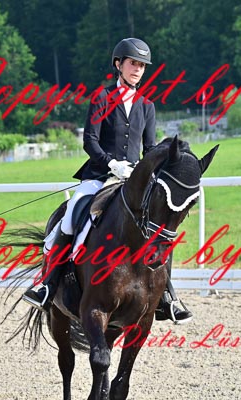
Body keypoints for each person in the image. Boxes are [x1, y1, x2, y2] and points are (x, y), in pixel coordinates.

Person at [22, 38, 192, 324]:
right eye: (133, 63)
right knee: (70, 218)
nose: (137, 69)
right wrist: (112, 164)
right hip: (100, 176)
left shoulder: (147, 106)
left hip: (134, 181)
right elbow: (90, 141)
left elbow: (149, 148)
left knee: (159, 230)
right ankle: (47, 285)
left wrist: (148, 169)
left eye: (142, 66)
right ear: (118, 64)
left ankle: (167, 297)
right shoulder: (102, 97)